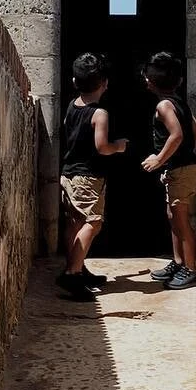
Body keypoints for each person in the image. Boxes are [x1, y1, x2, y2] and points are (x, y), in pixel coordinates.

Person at [59, 52, 129, 300]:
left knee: (74, 223)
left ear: (75, 82)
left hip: (68, 174)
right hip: (88, 177)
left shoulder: (72, 105)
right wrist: (118, 146)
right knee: (93, 222)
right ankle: (73, 273)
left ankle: (78, 268)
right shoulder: (100, 114)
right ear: (105, 83)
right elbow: (101, 147)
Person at [141, 52, 196, 289]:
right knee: (173, 216)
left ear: (150, 81)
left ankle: (190, 269)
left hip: (181, 170)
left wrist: (159, 159)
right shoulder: (180, 103)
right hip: (182, 169)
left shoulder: (164, 106)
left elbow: (177, 135)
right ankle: (178, 262)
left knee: (181, 219)